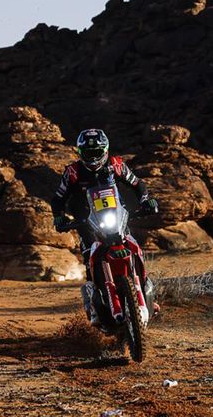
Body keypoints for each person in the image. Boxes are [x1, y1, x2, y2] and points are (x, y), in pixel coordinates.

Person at [51, 129, 159, 326]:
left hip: (116, 216)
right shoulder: (73, 172)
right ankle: (93, 306)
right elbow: (58, 198)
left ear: (105, 150)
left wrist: (146, 200)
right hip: (87, 222)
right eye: (88, 153)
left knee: (135, 248)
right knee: (89, 258)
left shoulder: (116, 164)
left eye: (96, 152)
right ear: (80, 153)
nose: (92, 157)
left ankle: (147, 292)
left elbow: (137, 183)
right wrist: (58, 217)